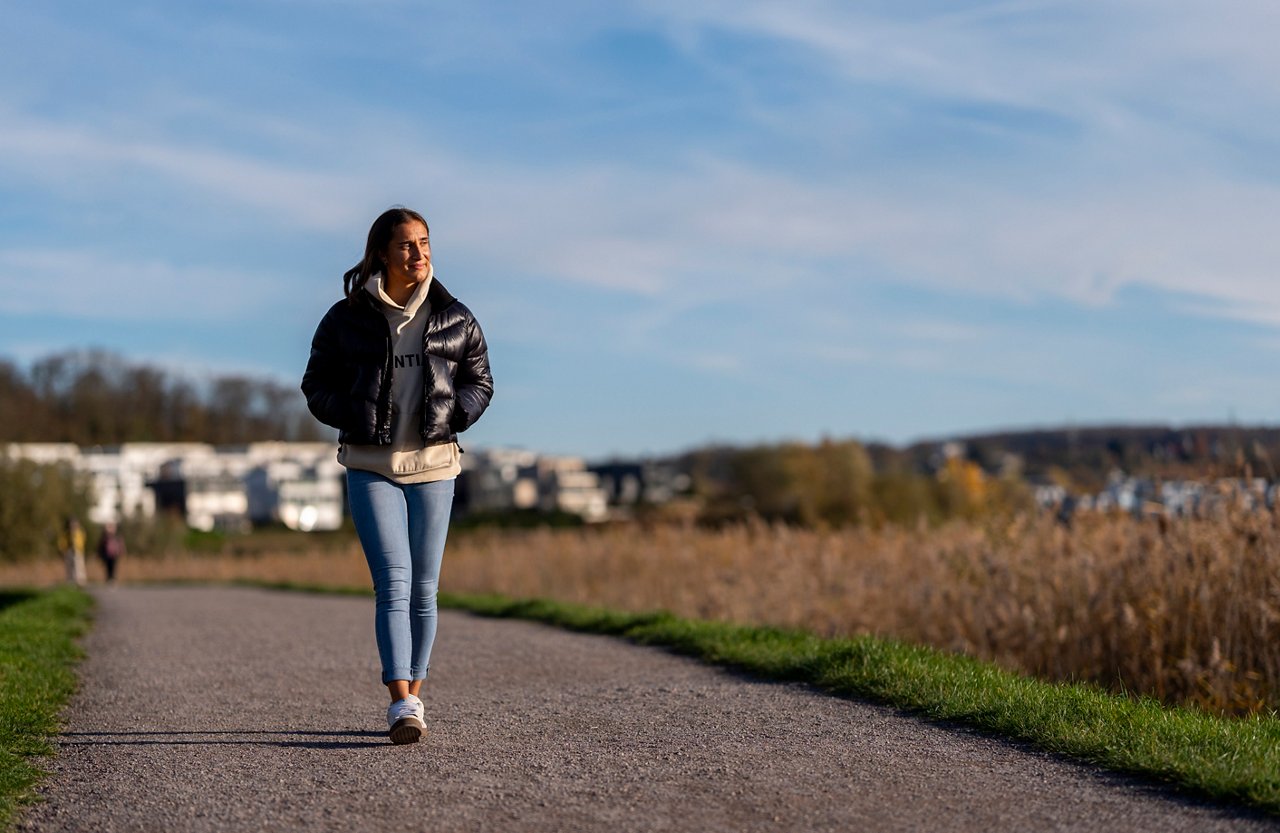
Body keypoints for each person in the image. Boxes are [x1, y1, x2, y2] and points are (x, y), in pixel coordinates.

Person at [301, 206, 493, 745]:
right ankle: (401, 702)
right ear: (382, 252)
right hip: (371, 466)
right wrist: (354, 415)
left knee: (426, 589)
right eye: (407, 244)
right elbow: (316, 384)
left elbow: (481, 380)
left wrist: (454, 416)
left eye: (425, 242)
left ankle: (415, 695)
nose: (419, 253)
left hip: (435, 466)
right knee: (394, 583)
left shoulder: (455, 315)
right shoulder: (347, 319)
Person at [59, 518, 86, 587]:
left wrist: (79, 548)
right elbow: (62, 542)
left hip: (78, 551)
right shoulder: (66, 533)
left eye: (75, 524)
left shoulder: (80, 533)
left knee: (79, 566)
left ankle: (80, 581)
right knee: (69, 566)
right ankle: (70, 580)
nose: (73, 526)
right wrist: (63, 550)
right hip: (69, 551)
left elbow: (82, 541)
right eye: (72, 524)